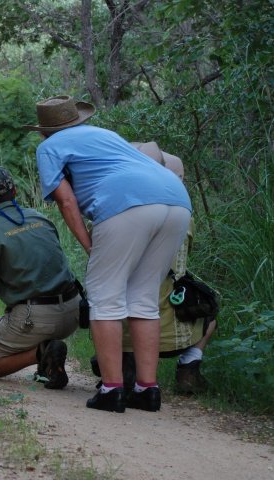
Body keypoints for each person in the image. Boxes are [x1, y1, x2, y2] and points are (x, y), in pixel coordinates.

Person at [25, 96, 192, 413]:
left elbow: (67, 202)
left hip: (127, 204)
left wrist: (89, 244)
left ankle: (112, 390)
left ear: (44, 131)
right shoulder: (106, 135)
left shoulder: (48, 147)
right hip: (177, 201)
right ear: (78, 121)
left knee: (104, 296)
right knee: (143, 297)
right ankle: (147, 390)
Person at [93, 142, 216, 394]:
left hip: (121, 324)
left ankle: (122, 365)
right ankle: (189, 364)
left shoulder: (115, 211)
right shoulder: (184, 216)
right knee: (210, 305)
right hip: (172, 326)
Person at [0, 166, 80, 389]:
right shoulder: (41, 219)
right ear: (15, 192)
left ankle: (43, 352)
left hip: (36, 318)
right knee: (26, 321)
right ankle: (48, 360)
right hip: (74, 311)